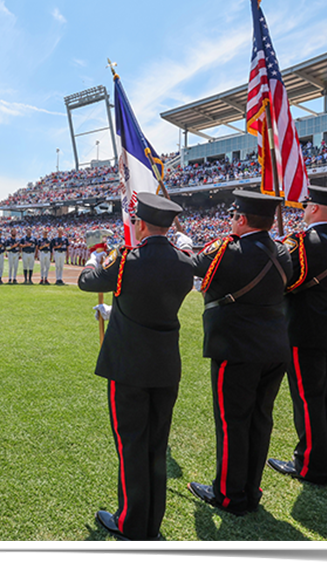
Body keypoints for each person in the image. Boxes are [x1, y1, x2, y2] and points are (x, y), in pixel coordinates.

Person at [78, 193, 195, 541]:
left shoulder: (126, 260)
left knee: (131, 443)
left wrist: (95, 257)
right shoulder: (185, 263)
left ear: (140, 224)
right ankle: (151, 523)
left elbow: (88, 282)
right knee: (156, 446)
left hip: (129, 364)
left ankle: (131, 522)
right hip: (165, 365)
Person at [186, 191, 293, 516]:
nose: (231, 221)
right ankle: (250, 487)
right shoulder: (284, 252)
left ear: (242, 219)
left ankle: (230, 495)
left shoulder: (226, 251)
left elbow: (190, 265)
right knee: (260, 420)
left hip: (236, 347)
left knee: (233, 423)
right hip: (275, 346)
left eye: (234, 216)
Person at [268, 184, 327, 487]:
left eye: (307, 205)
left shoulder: (302, 242)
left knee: (308, 399)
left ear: (315, 208)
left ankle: (311, 465)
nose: (304, 209)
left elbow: (287, 282)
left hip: (305, 328)